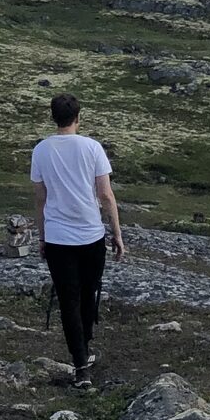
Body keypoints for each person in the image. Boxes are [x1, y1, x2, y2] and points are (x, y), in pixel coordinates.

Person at [30, 93, 125, 388]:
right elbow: (106, 195)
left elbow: (40, 199)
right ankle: (83, 350)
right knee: (88, 293)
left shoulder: (41, 150)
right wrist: (117, 233)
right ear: (78, 117)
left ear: (53, 117)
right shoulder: (92, 147)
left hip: (58, 237)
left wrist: (42, 237)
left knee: (68, 299)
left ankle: (80, 363)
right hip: (90, 235)